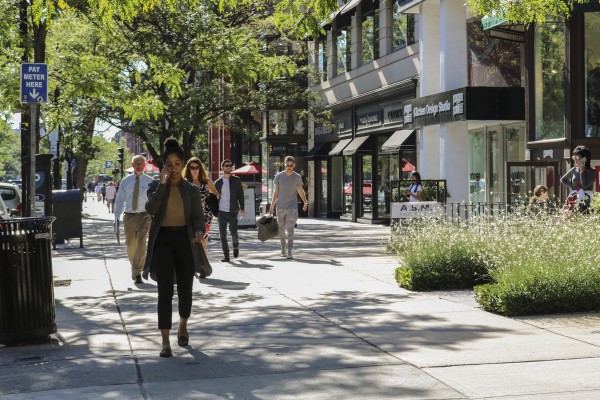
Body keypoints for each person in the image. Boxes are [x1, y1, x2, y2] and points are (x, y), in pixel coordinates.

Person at [143, 137, 208, 358]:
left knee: (185, 289)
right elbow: (151, 208)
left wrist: (200, 231)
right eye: (169, 165)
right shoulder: (154, 185)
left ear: (183, 164)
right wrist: (162, 184)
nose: (173, 169)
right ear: (163, 166)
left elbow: (198, 218)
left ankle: (182, 325)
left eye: (177, 164)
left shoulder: (191, 189)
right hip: (163, 241)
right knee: (164, 292)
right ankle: (164, 341)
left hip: (185, 239)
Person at [114, 155, 154, 284]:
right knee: (131, 244)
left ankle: (137, 272)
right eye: (137, 163)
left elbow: (154, 200)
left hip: (144, 215)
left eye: (142, 163)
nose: (139, 165)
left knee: (142, 243)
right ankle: (134, 267)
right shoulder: (126, 181)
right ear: (132, 165)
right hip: (129, 216)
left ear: (145, 165)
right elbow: (120, 199)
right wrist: (116, 216)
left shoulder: (150, 181)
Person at [183, 157, 218, 277]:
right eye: (192, 167)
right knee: (190, 242)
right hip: (189, 216)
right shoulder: (184, 183)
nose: (194, 170)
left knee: (203, 241)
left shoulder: (206, 182)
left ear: (200, 169)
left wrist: (212, 193)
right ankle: (192, 267)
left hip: (205, 217)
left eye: (196, 167)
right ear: (188, 169)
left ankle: (203, 267)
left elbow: (217, 195)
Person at [268, 156, 308, 259]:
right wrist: (272, 206)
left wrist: (305, 202)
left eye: (291, 165)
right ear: (284, 165)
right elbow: (276, 192)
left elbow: (300, 190)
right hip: (280, 206)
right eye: (287, 165)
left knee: (290, 229)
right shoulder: (279, 176)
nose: (289, 167)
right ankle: (283, 247)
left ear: (294, 165)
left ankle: (289, 250)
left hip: (292, 207)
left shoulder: (297, 177)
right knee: (281, 229)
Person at [215, 159, 245, 262]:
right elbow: (214, 198)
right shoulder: (218, 183)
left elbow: (240, 195)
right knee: (222, 235)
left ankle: (235, 246)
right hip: (222, 211)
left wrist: (242, 208)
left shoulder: (236, 180)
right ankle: (226, 256)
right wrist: (214, 211)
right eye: (226, 165)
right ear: (222, 167)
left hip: (233, 211)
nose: (229, 167)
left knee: (233, 232)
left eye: (230, 165)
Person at [561, 145, 596, 213]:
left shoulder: (592, 171)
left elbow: (584, 186)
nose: (575, 160)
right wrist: (572, 186)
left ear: (585, 159)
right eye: (574, 157)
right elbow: (563, 179)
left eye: (577, 157)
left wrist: (582, 170)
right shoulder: (574, 170)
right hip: (574, 197)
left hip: (586, 199)